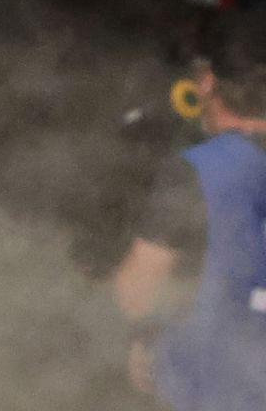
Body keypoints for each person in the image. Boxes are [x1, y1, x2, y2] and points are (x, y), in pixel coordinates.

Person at [115, 26, 266, 410]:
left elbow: (138, 286)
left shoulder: (198, 172)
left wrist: (141, 339)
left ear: (209, 83)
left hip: (218, 390)